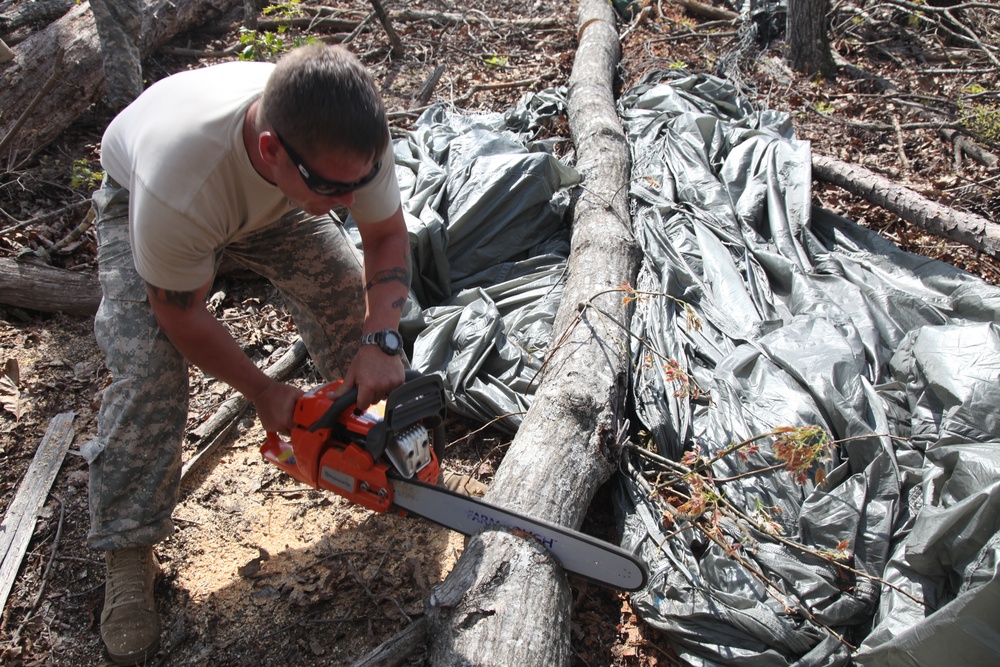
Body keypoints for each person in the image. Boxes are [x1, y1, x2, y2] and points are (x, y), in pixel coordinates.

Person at [84, 44, 411, 665]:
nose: (348, 201)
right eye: (332, 188)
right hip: (153, 195)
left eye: (357, 185)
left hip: (274, 201)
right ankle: (127, 548)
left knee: (350, 297)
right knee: (148, 373)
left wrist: (380, 340)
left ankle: (367, 446)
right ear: (270, 150)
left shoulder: (346, 139)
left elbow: (386, 234)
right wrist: (264, 390)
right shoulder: (179, 185)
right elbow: (180, 312)